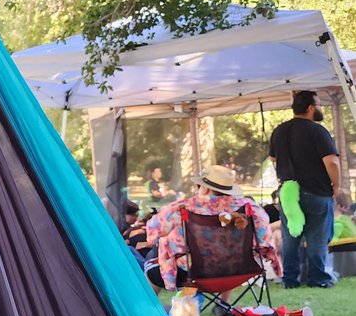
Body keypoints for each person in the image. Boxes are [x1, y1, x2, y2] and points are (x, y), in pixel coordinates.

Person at [143, 163, 280, 291]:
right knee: (227, 251)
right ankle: (222, 304)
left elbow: (153, 232)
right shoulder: (249, 207)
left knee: (151, 270)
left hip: (192, 272)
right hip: (239, 269)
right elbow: (264, 237)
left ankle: (149, 308)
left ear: (205, 188)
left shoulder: (183, 207)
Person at [269, 90, 341, 288]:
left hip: (289, 192)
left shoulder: (279, 130)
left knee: (291, 237)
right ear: (310, 108)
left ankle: (290, 279)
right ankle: (318, 279)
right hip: (317, 191)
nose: (320, 108)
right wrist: (336, 185)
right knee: (318, 237)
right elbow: (332, 162)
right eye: (318, 104)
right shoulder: (317, 131)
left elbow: (273, 158)